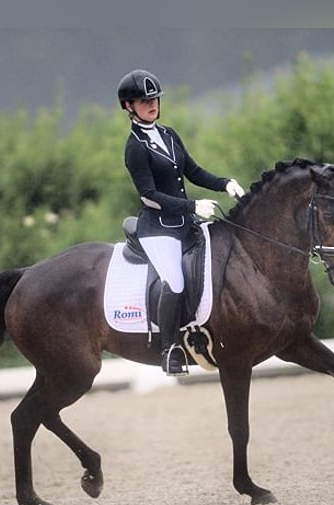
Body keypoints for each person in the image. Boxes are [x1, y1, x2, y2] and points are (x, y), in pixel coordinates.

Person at [117, 68, 246, 376]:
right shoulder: (135, 147)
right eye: (143, 101)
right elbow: (149, 195)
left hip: (185, 224)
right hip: (158, 230)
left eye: (155, 99)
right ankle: (170, 349)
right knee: (174, 282)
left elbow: (194, 172)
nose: (152, 105)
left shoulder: (169, 135)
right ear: (128, 107)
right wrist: (192, 205)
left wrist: (225, 183)